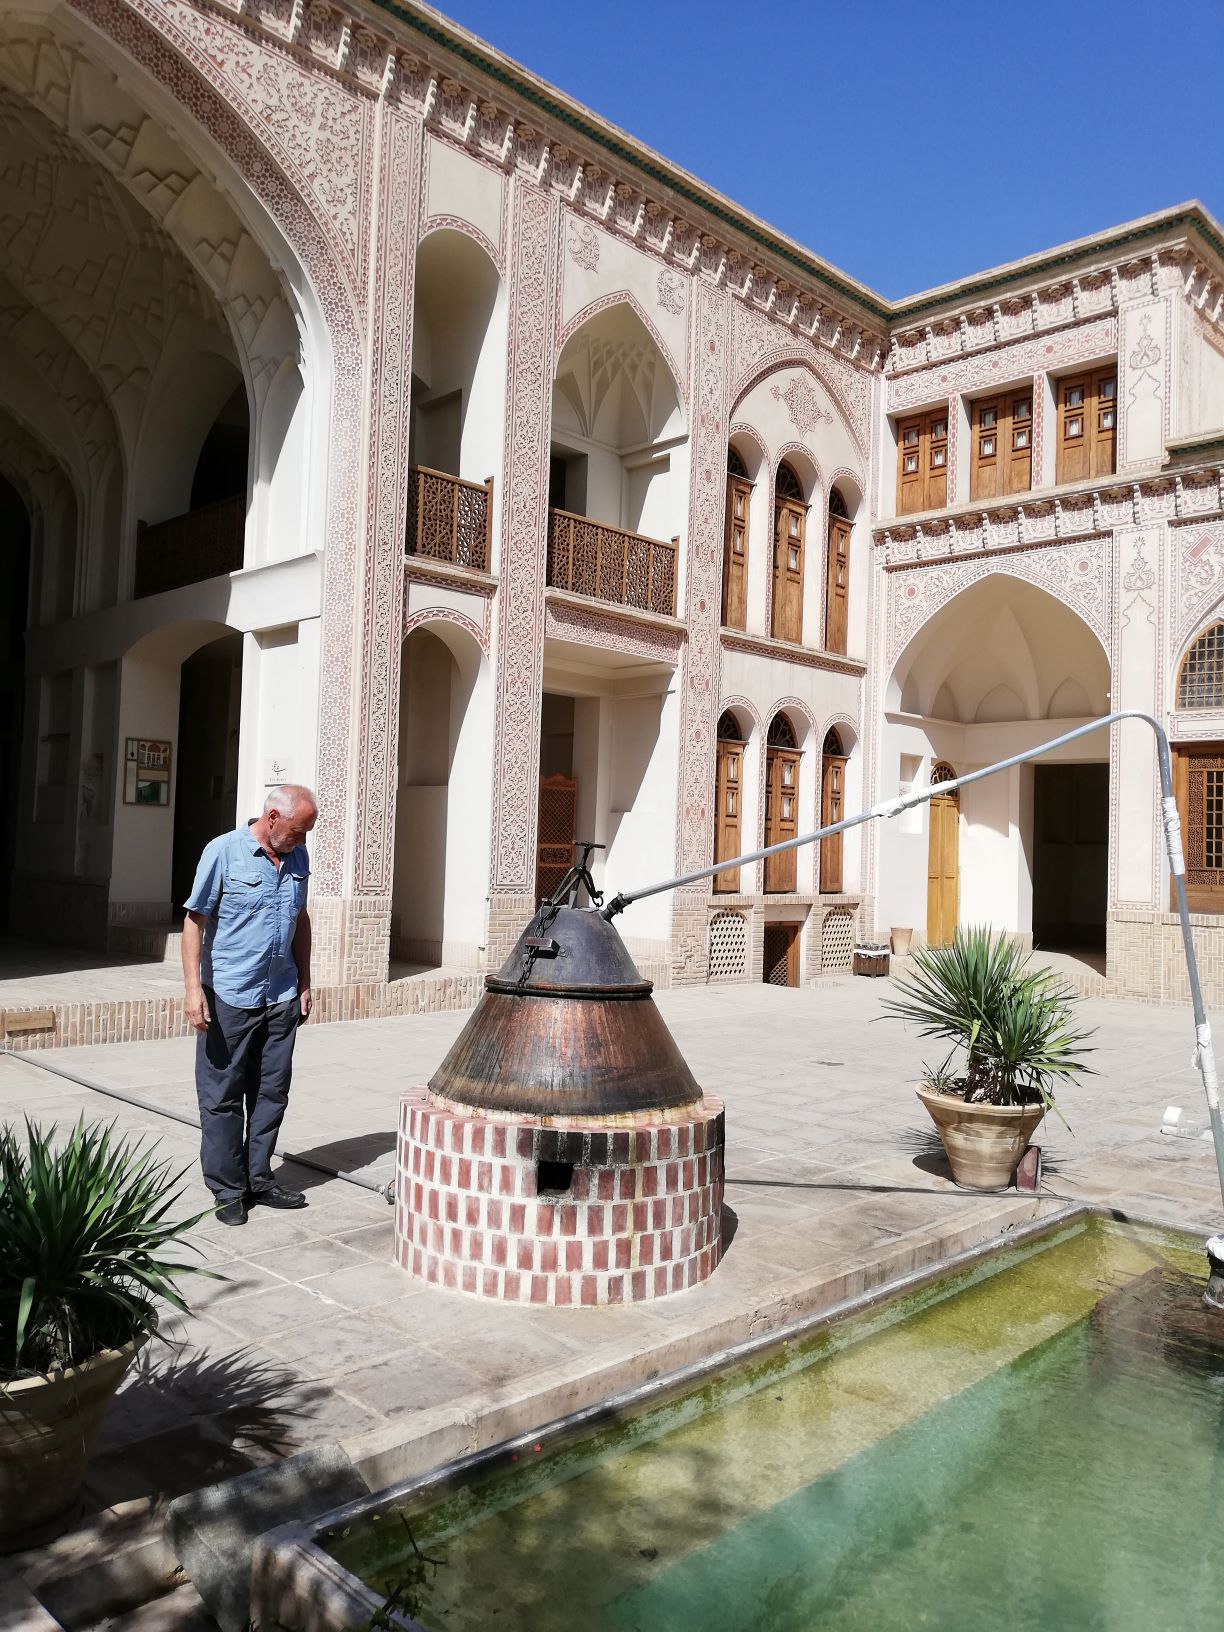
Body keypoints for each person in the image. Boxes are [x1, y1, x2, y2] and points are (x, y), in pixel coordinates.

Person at [181, 784, 318, 1226]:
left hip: (280, 995)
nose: (302, 841)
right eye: (298, 831)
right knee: (221, 1096)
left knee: (271, 1093)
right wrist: (192, 989)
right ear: (273, 818)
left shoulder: (298, 858)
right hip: (230, 996)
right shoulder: (223, 852)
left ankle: (259, 1178)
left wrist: (305, 979)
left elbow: (300, 918)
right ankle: (227, 1189)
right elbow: (194, 921)